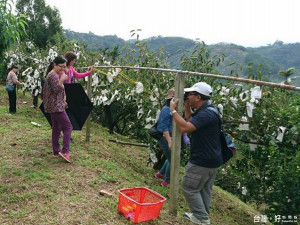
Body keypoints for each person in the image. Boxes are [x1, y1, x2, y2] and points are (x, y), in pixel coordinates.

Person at [170, 82, 222, 225]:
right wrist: (186, 106)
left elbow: (186, 128)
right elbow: (192, 121)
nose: (187, 96)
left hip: (202, 160)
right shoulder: (209, 110)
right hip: (212, 159)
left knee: (189, 186)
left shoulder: (206, 114)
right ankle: (203, 216)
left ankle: (201, 217)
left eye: (190, 94)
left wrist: (173, 111)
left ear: (198, 97)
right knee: (204, 189)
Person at [42, 56, 73, 163]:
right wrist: (62, 81)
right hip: (56, 107)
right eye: (61, 66)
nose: (63, 69)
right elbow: (56, 90)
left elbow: (54, 93)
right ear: (55, 64)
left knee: (56, 128)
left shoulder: (54, 74)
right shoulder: (53, 75)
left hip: (55, 105)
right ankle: (65, 152)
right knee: (68, 127)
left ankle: (56, 151)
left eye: (65, 67)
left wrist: (63, 102)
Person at [154, 88, 175, 187]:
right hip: (165, 137)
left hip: (168, 137)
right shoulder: (167, 110)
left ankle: (161, 173)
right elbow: (163, 127)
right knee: (173, 159)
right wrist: (169, 141)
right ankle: (167, 181)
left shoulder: (171, 109)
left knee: (171, 157)